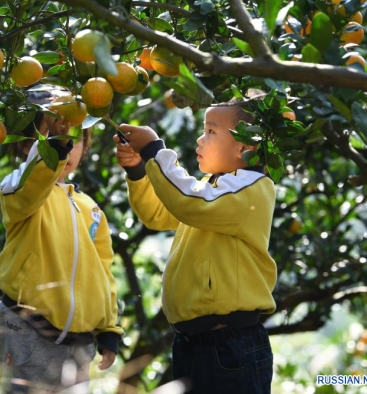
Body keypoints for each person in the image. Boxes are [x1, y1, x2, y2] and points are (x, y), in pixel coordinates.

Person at [114, 99, 277, 393]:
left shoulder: (251, 188)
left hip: (230, 344)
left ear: (244, 146)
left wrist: (154, 150)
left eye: (211, 131)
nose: (200, 139)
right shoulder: (213, 189)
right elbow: (159, 213)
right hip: (195, 343)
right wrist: (139, 170)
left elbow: (188, 203)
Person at [0, 87, 123, 393]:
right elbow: (32, 184)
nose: (66, 147)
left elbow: (103, 270)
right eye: (53, 138)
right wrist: (54, 147)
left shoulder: (91, 209)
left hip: (78, 342)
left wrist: (109, 329)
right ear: (28, 144)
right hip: (25, 329)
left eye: (74, 139)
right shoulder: (17, 188)